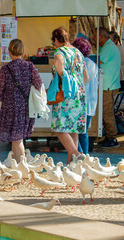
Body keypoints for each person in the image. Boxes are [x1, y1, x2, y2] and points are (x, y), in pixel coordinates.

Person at [0, 39, 42, 162]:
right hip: (26, 107)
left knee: (16, 140)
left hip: (11, 108)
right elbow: (38, 84)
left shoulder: (6, 69)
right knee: (17, 139)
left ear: (9, 52)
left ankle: (21, 166)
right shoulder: (30, 66)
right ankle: (17, 164)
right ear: (23, 52)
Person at [51, 27, 89, 164]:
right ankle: (71, 164)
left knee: (59, 128)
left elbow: (58, 61)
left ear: (56, 39)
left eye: (54, 41)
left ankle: (76, 153)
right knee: (74, 129)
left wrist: (64, 77)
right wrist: (76, 83)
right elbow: (86, 77)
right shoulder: (77, 52)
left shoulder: (60, 51)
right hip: (79, 94)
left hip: (66, 95)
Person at [93, 27, 121, 148]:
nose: (93, 38)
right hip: (108, 84)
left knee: (107, 112)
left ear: (100, 37)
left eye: (94, 36)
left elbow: (97, 62)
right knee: (105, 112)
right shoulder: (106, 46)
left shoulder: (108, 48)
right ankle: (107, 136)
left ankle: (112, 138)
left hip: (107, 86)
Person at [72, 37, 99, 154]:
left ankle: (80, 155)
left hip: (80, 103)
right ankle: (85, 156)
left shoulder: (79, 63)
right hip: (91, 103)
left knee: (74, 132)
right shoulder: (93, 64)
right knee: (84, 132)